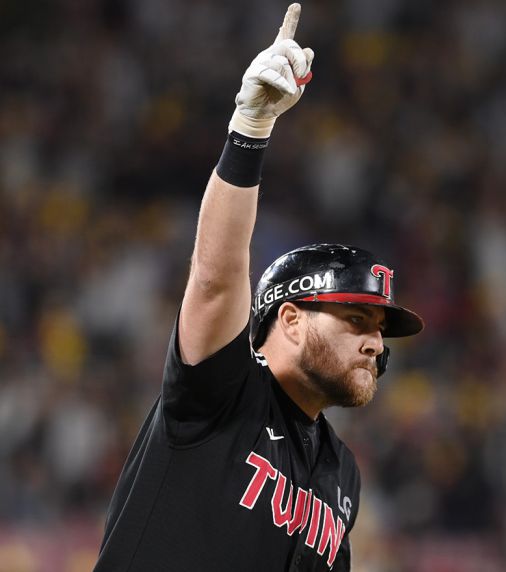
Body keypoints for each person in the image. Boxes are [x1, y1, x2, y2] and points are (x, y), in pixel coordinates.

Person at [93, 4, 423, 571]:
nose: (375, 343)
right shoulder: (221, 389)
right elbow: (215, 280)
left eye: (378, 329)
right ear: (290, 320)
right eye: (356, 320)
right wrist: (250, 131)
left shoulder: (342, 473)